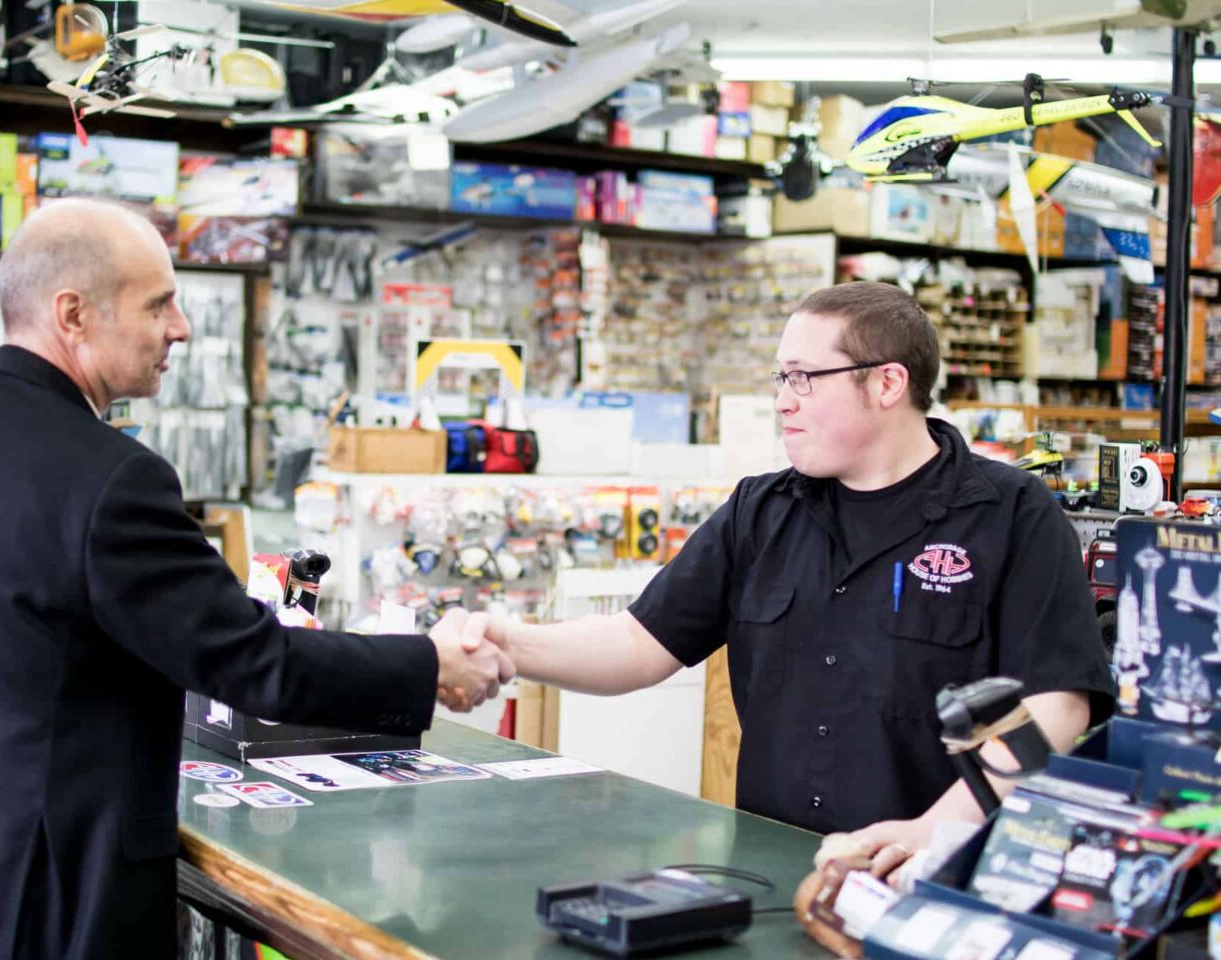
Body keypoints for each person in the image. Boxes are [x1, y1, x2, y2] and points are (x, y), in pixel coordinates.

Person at [0, 198, 513, 960]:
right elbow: (255, 662)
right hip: (48, 917)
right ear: (74, 313)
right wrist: (430, 664)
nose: (181, 328)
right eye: (158, 303)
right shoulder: (112, 480)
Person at [455, 281, 1114, 878]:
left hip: (936, 883)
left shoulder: (1013, 514)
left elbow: (1057, 709)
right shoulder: (759, 512)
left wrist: (935, 833)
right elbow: (637, 644)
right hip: (774, 873)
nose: (780, 402)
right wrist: (510, 644)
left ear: (887, 383)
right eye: (779, 378)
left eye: (803, 378)